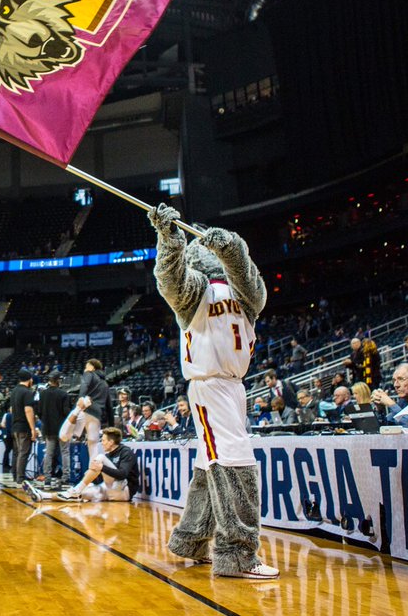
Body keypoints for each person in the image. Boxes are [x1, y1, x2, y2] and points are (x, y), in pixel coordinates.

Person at [148, 204, 278, 579]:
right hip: (210, 384)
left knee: (212, 464)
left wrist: (232, 248)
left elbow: (255, 286)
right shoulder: (195, 292)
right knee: (235, 462)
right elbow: (169, 279)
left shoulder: (243, 293)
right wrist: (169, 239)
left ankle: (191, 539)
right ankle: (237, 554)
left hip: (234, 386)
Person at [44, 427, 138, 502]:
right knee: (81, 493)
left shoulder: (126, 452)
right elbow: (102, 478)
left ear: (111, 442)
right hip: (111, 490)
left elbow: (122, 474)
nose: (102, 443)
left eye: (103, 440)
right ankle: (44, 495)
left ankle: (77, 490)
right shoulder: (109, 455)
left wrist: (102, 468)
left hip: (124, 491)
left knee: (100, 458)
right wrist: (91, 476)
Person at [61, 358, 109, 461]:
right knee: (93, 447)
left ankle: (76, 433)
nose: (85, 369)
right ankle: (94, 470)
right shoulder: (105, 384)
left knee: (63, 435)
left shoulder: (89, 374)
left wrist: (81, 398)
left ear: (92, 367)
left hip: (85, 409)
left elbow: (85, 385)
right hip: (96, 415)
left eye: (87, 366)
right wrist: (112, 427)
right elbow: (109, 406)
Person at [370, 364, 408, 429]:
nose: (396, 385)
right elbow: (387, 426)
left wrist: (391, 404)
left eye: (401, 379)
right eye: (394, 380)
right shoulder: (403, 402)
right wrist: (380, 410)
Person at [8, 370, 39, 485]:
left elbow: (11, 409)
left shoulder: (14, 391)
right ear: (30, 379)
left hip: (14, 425)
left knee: (16, 452)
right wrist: (33, 428)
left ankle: (15, 475)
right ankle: (20, 478)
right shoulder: (27, 392)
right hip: (23, 426)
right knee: (24, 452)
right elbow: (28, 410)